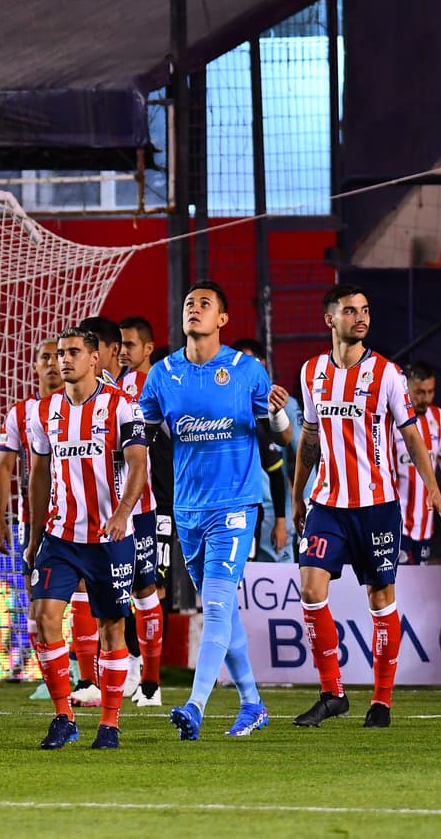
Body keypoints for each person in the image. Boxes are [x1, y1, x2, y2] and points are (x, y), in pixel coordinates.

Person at [291, 285, 441, 729]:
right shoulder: (311, 373)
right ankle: (333, 693)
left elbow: (412, 436)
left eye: (364, 310)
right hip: (327, 502)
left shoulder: (386, 373)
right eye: (350, 311)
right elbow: (309, 438)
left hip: (377, 507)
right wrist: (296, 496)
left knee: (380, 599)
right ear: (330, 319)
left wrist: (435, 492)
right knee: (310, 590)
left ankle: (381, 700)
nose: (360, 317)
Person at [137, 281, 292, 740]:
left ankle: (196, 705)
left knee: (219, 607)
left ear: (223, 318)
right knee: (222, 610)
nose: (195, 309)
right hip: (188, 509)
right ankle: (253, 703)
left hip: (236, 506)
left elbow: (281, 440)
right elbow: (142, 439)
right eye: (189, 303)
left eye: (205, 304)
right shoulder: (163, 375)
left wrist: (281, 415)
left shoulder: (247, 371)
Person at [24, 328, 148, 751]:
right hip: (60, 535)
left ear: (95, 359)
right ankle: (63, 716)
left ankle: (109, 723)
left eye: (74, 352)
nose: (64, 360)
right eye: (60, 353)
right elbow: (39, 475)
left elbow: (137, 465)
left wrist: (121, 514)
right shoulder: (43, 412)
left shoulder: (122, 408)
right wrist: (33, 534)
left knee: (111, 627)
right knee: (44, 618)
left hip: (110, 538)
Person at [0, 339, 60, 699]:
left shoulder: (84, 405)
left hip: (77, 518)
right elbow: (3, 467)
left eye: (57, 356)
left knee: (78, 596)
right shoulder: (21, 412)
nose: (51, 363)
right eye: (44, 358)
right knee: (36, 599)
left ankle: (85, 674)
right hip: (32, 520)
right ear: (34, 367)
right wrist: (0, 519)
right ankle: (51, 676)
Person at [115, 315, 169, 707]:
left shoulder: (158, 385)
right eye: (119, 345)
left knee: (150, 588)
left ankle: (152, 681)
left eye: (130, 345)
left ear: (148, 348)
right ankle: (134, 664)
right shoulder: (117, 387)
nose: (123, 351)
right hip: (121, 506)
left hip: (154, 504)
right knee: (125, 591)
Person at [394, 361, 441, 565]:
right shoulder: (390, 418)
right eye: (419, 392)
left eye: (430, 391)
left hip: (425, 525)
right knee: (396, 587)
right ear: (406, 387)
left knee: (418, 587)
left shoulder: (438, 417)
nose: (425, 398)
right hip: (393, 523)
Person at [232, 338, 295, 563]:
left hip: (274, 505)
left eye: (251, 361)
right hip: (234, 505)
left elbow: (293, 451)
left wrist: (294, 506)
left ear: (263, 364)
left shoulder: (284, 403)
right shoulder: (227, 406)